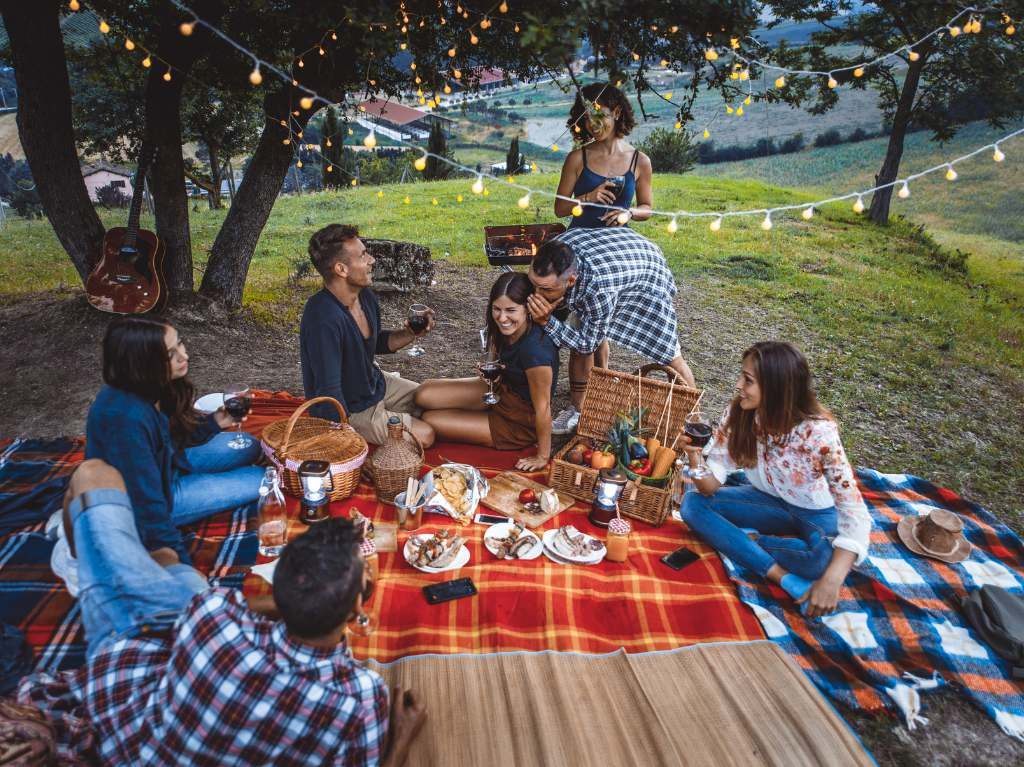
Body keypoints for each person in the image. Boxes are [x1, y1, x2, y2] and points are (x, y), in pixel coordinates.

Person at [20, 460, 427, 765]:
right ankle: (98, 568)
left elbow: (211, 609)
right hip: (144, 644)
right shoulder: (359, 697)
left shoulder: (215, 616)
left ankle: (95, 566)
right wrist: (404, 735)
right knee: (166, 563)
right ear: (359, 604)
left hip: (125, 675)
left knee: (103, 487)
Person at [52, 315, 264, 597]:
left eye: (180, 345)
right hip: (161, 496)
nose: (184, 356)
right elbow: (148, 507)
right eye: (170, 354)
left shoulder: (150, 387)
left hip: (168, 464)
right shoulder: (124, 419)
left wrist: (216, 422)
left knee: (249, 445)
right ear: (143, 362)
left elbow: (171, 437)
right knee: (261, 478)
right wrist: (182, 569)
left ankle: (199, 477)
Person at [680, 342, 872, 618]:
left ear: (776, 388)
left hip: (817, 512)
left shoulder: (818, 434)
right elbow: (710, 486)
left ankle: (740, 540)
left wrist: (831, 580)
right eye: (741, 376)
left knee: (824, 561)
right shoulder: (739, 415)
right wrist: (696, 459)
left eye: (748, 380)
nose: (738, 385)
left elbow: (854, 512)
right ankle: (783, 576)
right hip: (767, 502)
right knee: (692, 504)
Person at [526, 233, 696, 435]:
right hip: (614, 255)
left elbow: (586, 344)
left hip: (647, 269)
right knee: (585, 325)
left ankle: (694, 423)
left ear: (571, 280)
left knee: (669, 352)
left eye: (545, 289)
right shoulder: (557, 250)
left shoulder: (598, 289)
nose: (536, 294)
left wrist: (547, 322)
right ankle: (579, 407)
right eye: (533, 284)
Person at [300, 224, 435, 448]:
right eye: (363, 255)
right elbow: (329, 390)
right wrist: (342, 438)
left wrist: (410, 333)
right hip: (352, 408)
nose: (372, 260)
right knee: (427, 434)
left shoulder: (366, 296)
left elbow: (371, 344)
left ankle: (395, 414)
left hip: (374, 384)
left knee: (432, 401)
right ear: (341, 269)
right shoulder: (322, 318)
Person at [415, 273, 557, 471]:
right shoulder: (502, 329)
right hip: (498, 391)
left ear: (528, 309)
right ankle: (471, 411)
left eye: (511, 310)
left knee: (429, 420)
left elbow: (543, 408)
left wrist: (543, 456)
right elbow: (495, 359)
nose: (502, 317)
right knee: (423, 393)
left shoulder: (535, 352)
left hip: (516, 421)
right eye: (496, 309)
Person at [553, 82, 653, 230]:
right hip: (581, 236)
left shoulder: (640, 161)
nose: (593, 124)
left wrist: (629, 212)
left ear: (617, 113)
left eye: (599, 115)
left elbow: (647, 208)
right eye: (587, 117)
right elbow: (560, 209)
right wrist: (588, 198)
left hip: (620, 239)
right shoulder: (576, 159)